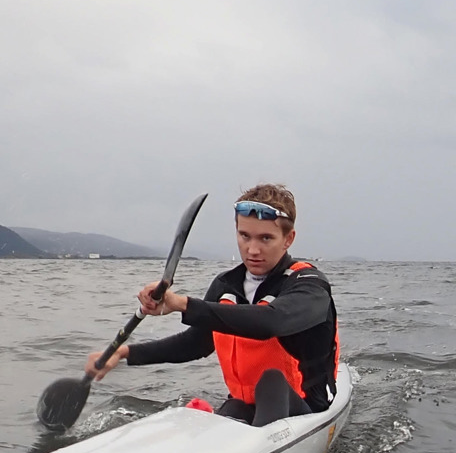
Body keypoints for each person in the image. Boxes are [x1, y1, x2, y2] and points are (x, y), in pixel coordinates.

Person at [85, 183, 339, 427]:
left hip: (306, 409)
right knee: (233, 408)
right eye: (245, 236)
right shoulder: (226, 285)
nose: (252, 249)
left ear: (288, 239)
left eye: (265, 238)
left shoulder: (309, 285)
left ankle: (255, 446)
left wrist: (182, 304)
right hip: (248, 406)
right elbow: (196, 343)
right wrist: (124, 353)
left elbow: (271, 322)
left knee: (271, 381)